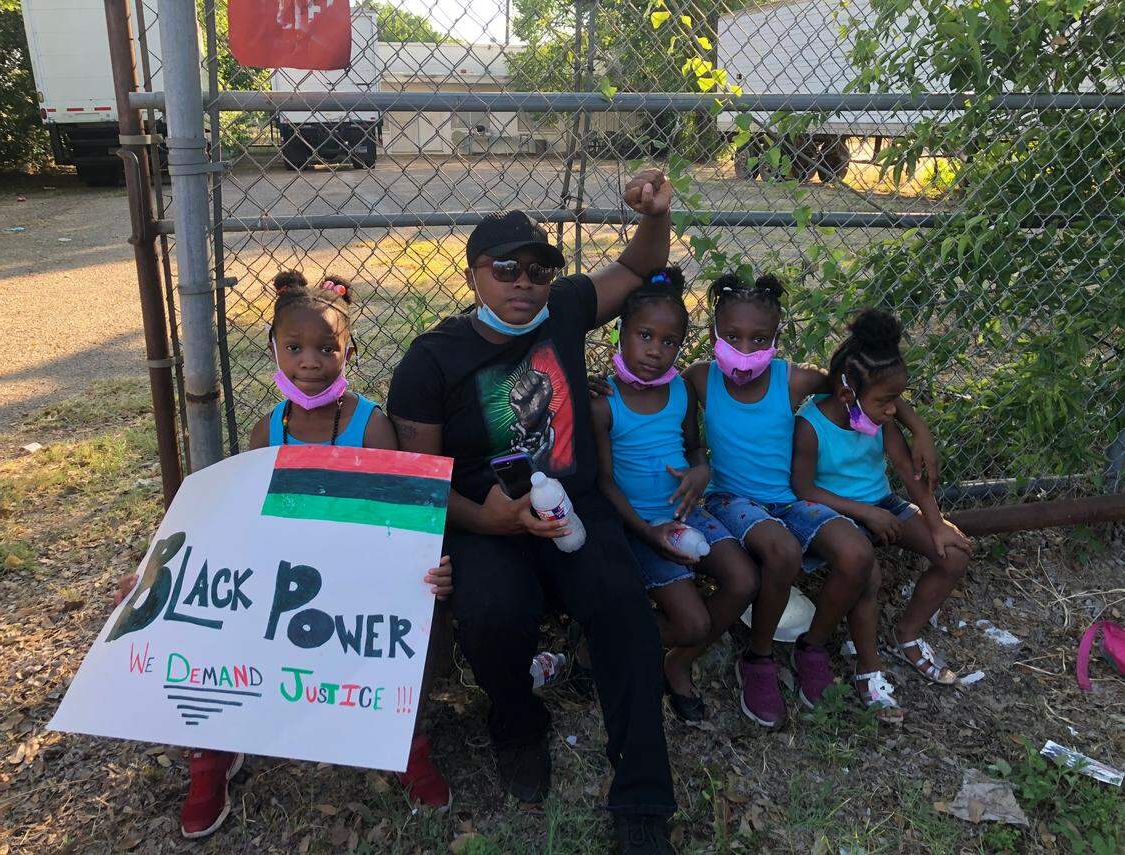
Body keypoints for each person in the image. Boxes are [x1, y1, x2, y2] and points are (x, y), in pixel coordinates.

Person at [386, 169, 678, 853]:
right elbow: (419, 481)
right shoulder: (431, 360)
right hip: (484, 518)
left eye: (540, 268)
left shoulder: (567, 309)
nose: (524, 282)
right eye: (506, 268)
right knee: (490, 615)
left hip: (573, 506)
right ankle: (518, 724)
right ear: (473, 276)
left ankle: (641, 797)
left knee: (625, 610)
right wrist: (489, 519)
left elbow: (640, 263)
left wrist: (658, 214)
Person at [115, 271, 454, 839]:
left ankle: (405, 743)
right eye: (294, 348)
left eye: (327, 348)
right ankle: (214, 750)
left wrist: (424, 569)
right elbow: (245, 527)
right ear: (273, 350)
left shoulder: (373, 427)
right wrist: (163, 575)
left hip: (354, 581)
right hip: (283, 584)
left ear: (350, 351)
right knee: (213, 624)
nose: (309, 362)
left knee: (397, 628)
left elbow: (398, 528)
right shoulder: (264, 432)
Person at [685, 272, 940, 728]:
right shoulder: (701, 380)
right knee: (781, 551)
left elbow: (861, 384)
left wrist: (917, 428)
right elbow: (661, 401)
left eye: (759, 338)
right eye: (732, 337)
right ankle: (758, 659)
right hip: (730, 499)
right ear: (712, 335)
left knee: (857, 554)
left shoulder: (794, 381)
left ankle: (812, 647)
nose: (744, 351)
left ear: (777, 338)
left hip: (788, 500)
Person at [589, 267, 759, 724]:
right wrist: (648, 533)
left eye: (669, 342)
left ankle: (676, 662)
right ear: (621, 333)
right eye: (645, 335)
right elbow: (603, 482)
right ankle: (607, 642)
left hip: (688, 514)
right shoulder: (603, 402)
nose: (655, 351)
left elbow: (692, 448)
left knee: (743, 581)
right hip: (639, 526)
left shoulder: (681, 389)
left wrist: (701, 472)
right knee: (693, 623)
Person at [791, 309, 972, 714]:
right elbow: (804, 489)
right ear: (846, 395)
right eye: (886, 401)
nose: (895, 410)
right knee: (866, 572)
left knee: (956, 551)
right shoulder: (810, 426)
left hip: (881, 503)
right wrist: (863, 513)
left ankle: (906, 634)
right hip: (833, 513)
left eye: (897, 400)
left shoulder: (876, 420)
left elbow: (910, 475)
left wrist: (936, 522)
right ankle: (867, 667)